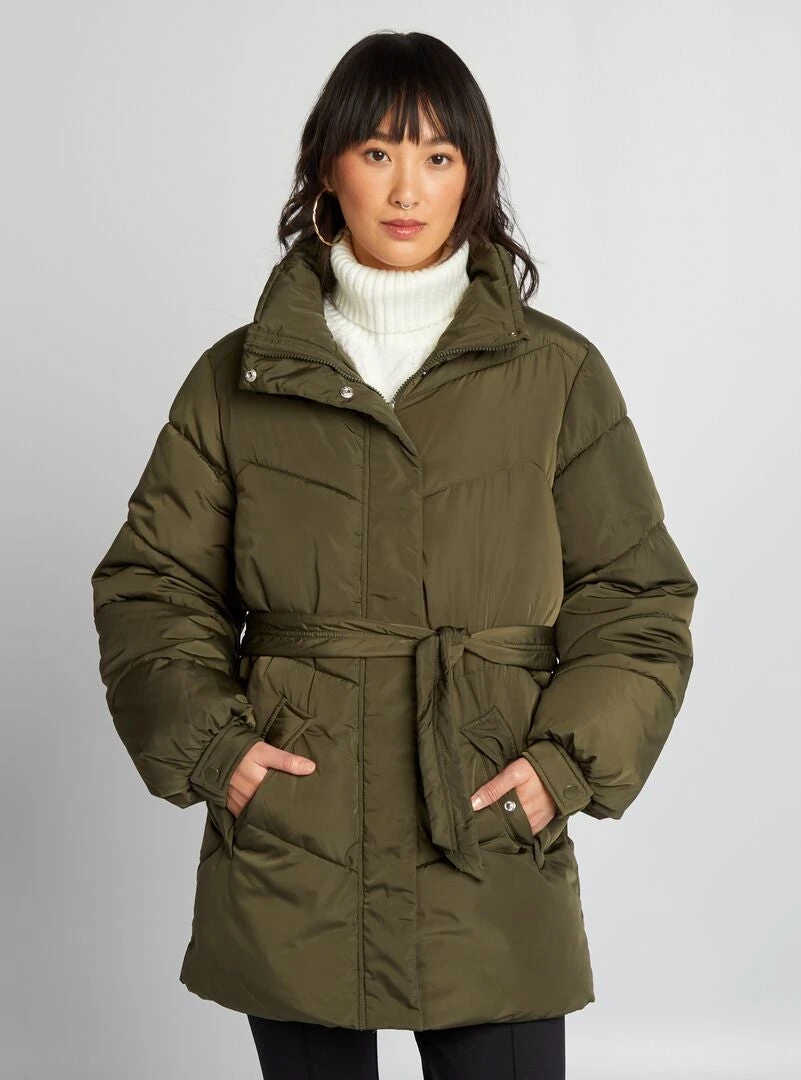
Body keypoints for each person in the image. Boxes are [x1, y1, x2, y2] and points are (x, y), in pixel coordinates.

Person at [90, 30, 698, 1080]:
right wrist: (220, 753)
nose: (407, 188)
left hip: (487, 829)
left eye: (438, 156)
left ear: (475, 176)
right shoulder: (238, 379)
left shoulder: (556, 375)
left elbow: (635, 597)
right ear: (328, 168)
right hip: (298, 842)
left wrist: (562, 769)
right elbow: (153, 583)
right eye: (377, 152)